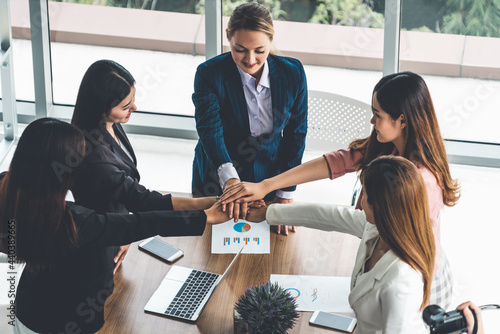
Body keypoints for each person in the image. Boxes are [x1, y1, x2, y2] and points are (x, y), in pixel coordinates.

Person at [222, 71, 459, 308]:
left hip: (421, 288)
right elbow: (338, 161)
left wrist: (269, 211)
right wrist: (267, 186)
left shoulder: (420, 182)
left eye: (377, 115)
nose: (372, 122)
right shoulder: (391, 147)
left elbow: (354, 221)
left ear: (403, 120)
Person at [0, 118, 228, 334]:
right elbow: (140, 223)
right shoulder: (72, 221)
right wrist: (206, 217)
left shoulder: (7, 188)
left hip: (28, 311)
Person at [246, 156, 435, 333]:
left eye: (365, 195)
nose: (360, 202)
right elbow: (328, 216)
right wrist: (267, 213)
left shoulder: (402, 283)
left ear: (380, 205)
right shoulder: (377, 228)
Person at [71, 60, 216, 279]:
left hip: (121, 232)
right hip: (103, 246)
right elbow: (143, 201)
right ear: (101, 109)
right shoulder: (95, 160)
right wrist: (207, 206)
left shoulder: (109, 125)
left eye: (133, 100)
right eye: (125, 106)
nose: (134, 108)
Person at [191, 3, 308, 234]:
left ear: (271, 41)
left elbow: (297, 133)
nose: (250, 60)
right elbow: (210, 132)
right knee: (206, 247)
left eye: (260, 50)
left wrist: (285, 193)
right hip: (216, 173)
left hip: (270, 177)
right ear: (228, 37)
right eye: (240, 49)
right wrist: (231, 183)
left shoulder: (293, 73)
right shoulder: (209, 74)